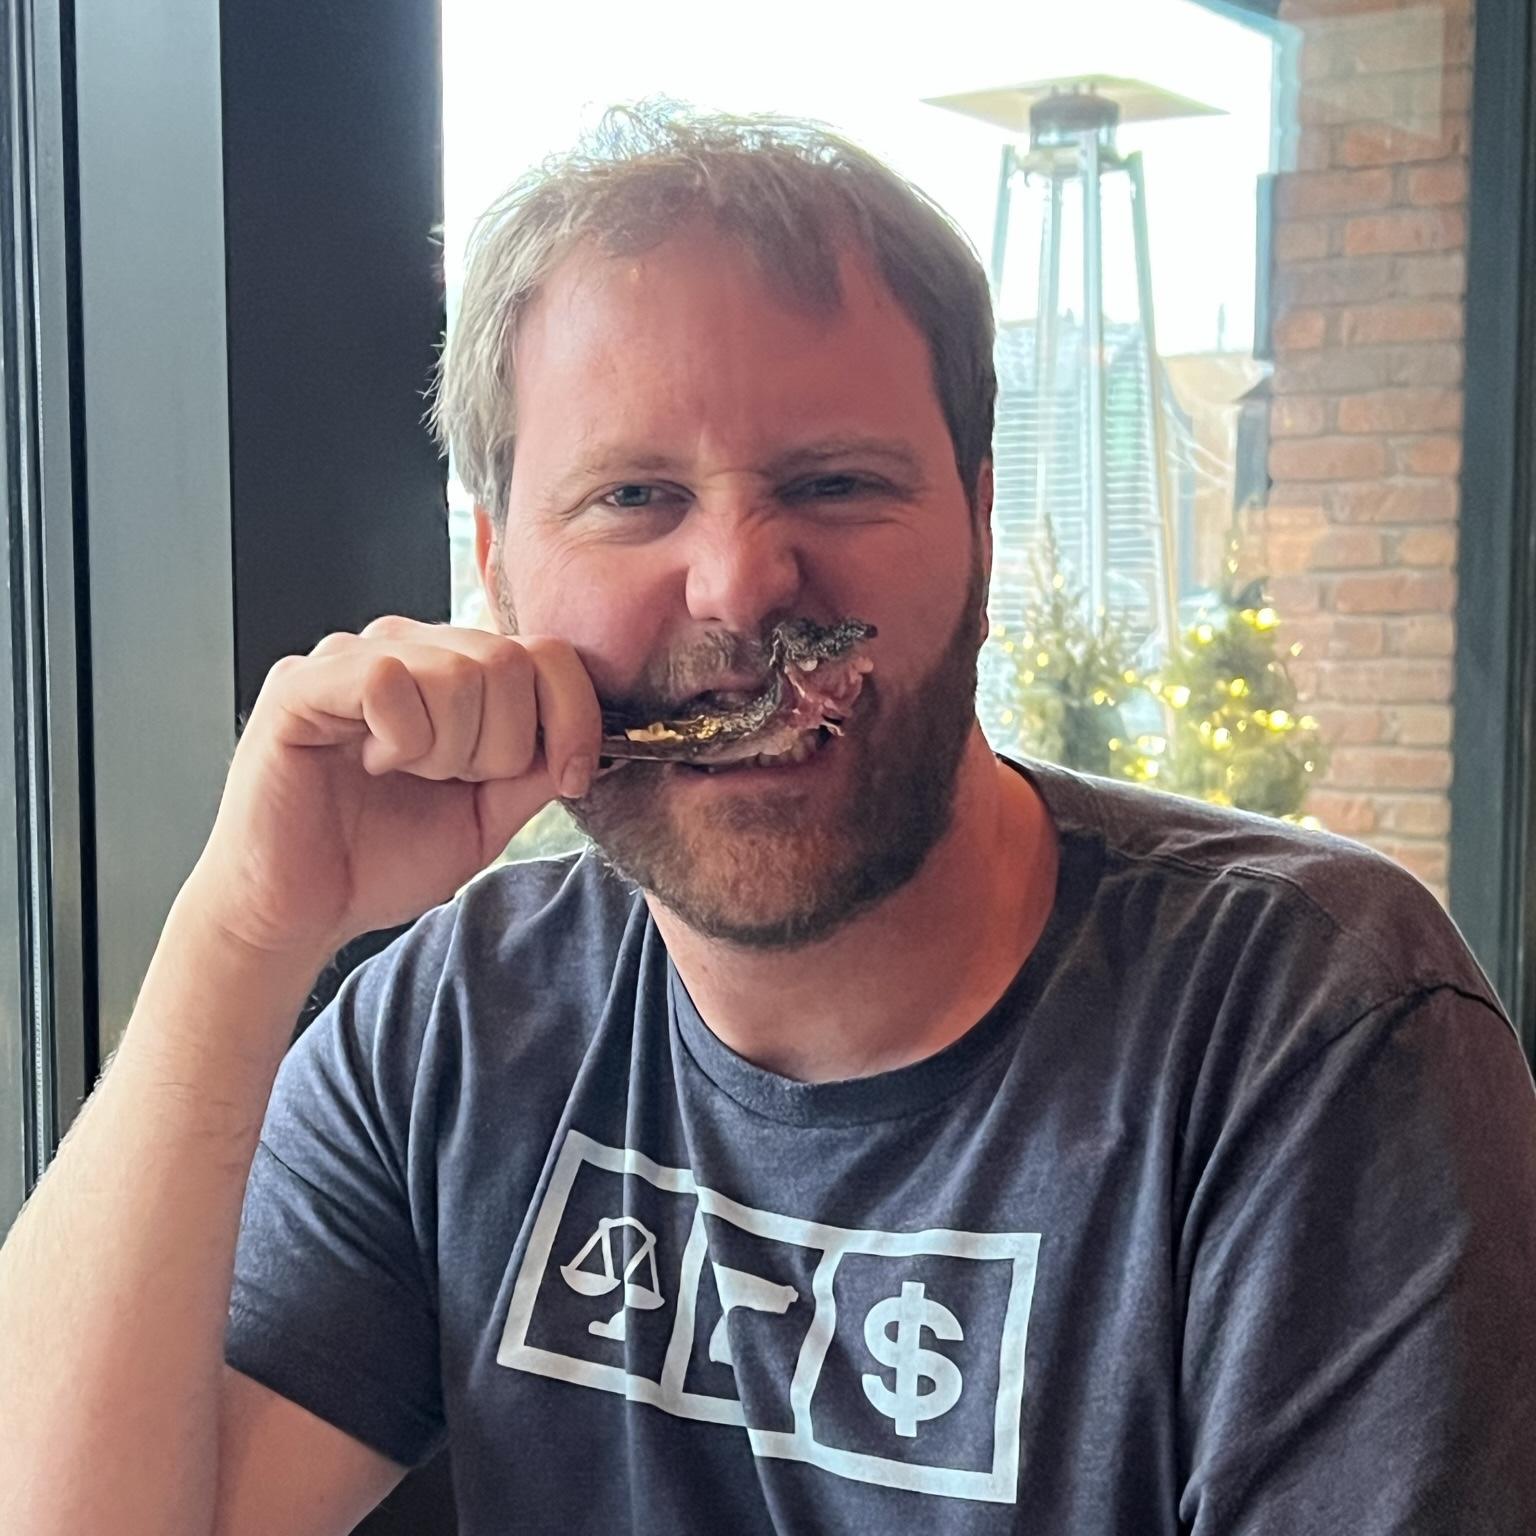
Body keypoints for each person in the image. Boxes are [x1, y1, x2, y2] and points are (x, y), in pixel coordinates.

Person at [2, 103, 1533, 1536]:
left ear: (981, 525)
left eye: (839, 482)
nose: (741, 583)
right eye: (633, 497)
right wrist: (244, 931)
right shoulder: (457, 1030)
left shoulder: (1314, 1032)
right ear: (500, 564)